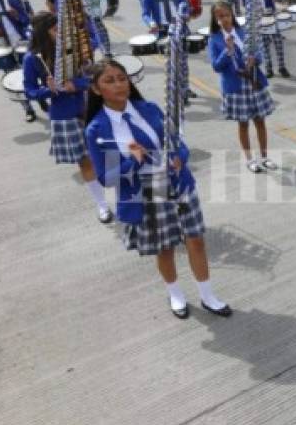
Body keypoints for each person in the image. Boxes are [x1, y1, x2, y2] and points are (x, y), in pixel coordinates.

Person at [85, 59, 232, 320]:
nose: (119, 84)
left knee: (196, 240)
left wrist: (180, 157)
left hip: (178, 183)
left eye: (122, 78)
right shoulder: (97, 129)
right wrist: (133, 160)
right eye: (109, 81)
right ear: (96, 90)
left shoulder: (149, 108)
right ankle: (175, 294)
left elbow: (176, 141)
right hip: (146, 195)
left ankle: (208, 295)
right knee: (165, 248)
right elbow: (106, 178)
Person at [23, 12, 112, 223]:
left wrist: (76, 85)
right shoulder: (31, 58)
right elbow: (29, 90)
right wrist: (48, 90)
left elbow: (90, 76)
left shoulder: (70, 49)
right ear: (43, 33)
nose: (60, 33)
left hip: (90, 106)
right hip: (64, 115)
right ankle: (102, 205)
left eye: (60, 29)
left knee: (110, 154)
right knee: (85, 162)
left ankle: (122, 195)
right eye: (55, 30)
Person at [208, 1, 277, 173]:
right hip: (235, 86)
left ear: (232, 14)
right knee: (243, 124)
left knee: (260, 121)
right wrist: (227, 50)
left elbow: (259, 51)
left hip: (253, 81)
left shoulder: (243, 31)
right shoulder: (215, 39)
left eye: (227, 14)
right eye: (220, 16)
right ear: (215, 19)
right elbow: (216, 66)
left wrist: (256, 59)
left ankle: (264, 156)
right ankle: (249, 159)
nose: (224, 19)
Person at [141, 0, 197, 104]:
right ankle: (177, 92)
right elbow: (146, 14)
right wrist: (151, 24)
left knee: (183, 61)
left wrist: (186, 14)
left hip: (180, 28)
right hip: (164, 31)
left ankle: (185, 89)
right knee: (172, 63)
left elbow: (185, 5)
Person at [242, 0, 290, 79]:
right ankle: (269, 68)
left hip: (271, 14)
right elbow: (245, 3)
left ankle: (282, 66)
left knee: (278, 42)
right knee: (264, 44)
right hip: (258, 18)